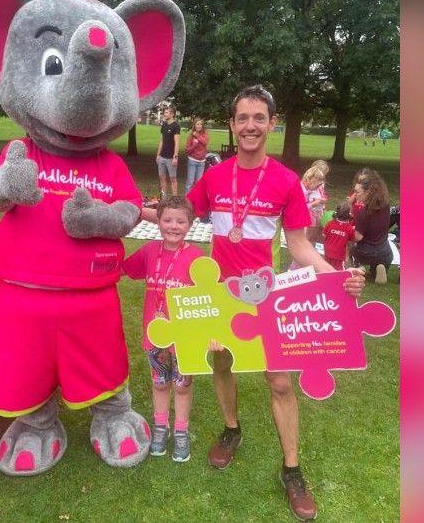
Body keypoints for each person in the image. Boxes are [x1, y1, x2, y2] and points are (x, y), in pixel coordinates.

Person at [144, 85, 365, 520]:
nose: (250, 126)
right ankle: (231, 429)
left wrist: (337, 276)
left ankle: (292, 469)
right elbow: (178, 218)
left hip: (267, 297)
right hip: (221, 297)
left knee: (280, 383)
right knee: (222, 364)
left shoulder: (285, 181)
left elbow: (299, 245)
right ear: (232, 124)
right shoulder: (214, 175)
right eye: (242, 118)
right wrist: (131, 211)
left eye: (259, 118)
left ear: (271, 124)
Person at [122, 197, 205, 463]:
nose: (173, 226)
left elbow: (209, 301)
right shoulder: (149, 252)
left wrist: (210, 334)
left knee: (182, 385)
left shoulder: (196, 257)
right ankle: (161, 426)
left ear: (190, 225)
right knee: (160, 382)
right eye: (167, 220)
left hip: (185, 338)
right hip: (155, 334)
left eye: (180, 221)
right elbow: (125, 269)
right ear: (158, 221)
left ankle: (181, 430)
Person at [350, 170, 393, 284]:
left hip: (366, 252)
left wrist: (348, 232)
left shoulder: (363, 212)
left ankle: (359, 267)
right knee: (380, 254)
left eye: (357, 192)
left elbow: (358, 237)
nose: (355, 195)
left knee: (350, 247)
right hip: (385, 251)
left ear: (368, 192)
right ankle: (377, 268)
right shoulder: (385, 205)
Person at [322, 201, 356, 270]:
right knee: (339, 271)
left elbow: (323, 235)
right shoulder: (349, 228)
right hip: (339, 255)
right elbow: (351, 242)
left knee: (325, 269)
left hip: (327, 252)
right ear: (349, 214)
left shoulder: (330, 224)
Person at [156, 106, 180, 198]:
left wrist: (175, 157)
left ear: (172, 114)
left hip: (171, 158)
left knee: (173, 178)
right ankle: (164, 198)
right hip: (162, 157)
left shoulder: (176, 126)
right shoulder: (164, 125)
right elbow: (161, 141)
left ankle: (174, 199)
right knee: (162, 178)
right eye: (164, 112)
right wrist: (158, 155)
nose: (164, 114)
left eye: (166, 112)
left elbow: (177, 142)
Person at [184, 117, 210, 194]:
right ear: (194, 125)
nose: (199, 126)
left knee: (198, 183)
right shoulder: (191, 136)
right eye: (197, 124)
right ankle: (187, 202)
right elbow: (187, 150)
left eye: (200, 124)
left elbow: (205, 142)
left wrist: (197, 136)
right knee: (190, 182)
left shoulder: (205, 134)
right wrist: (194, 145)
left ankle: (196, 201)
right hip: (192, 161)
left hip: (201, 161)